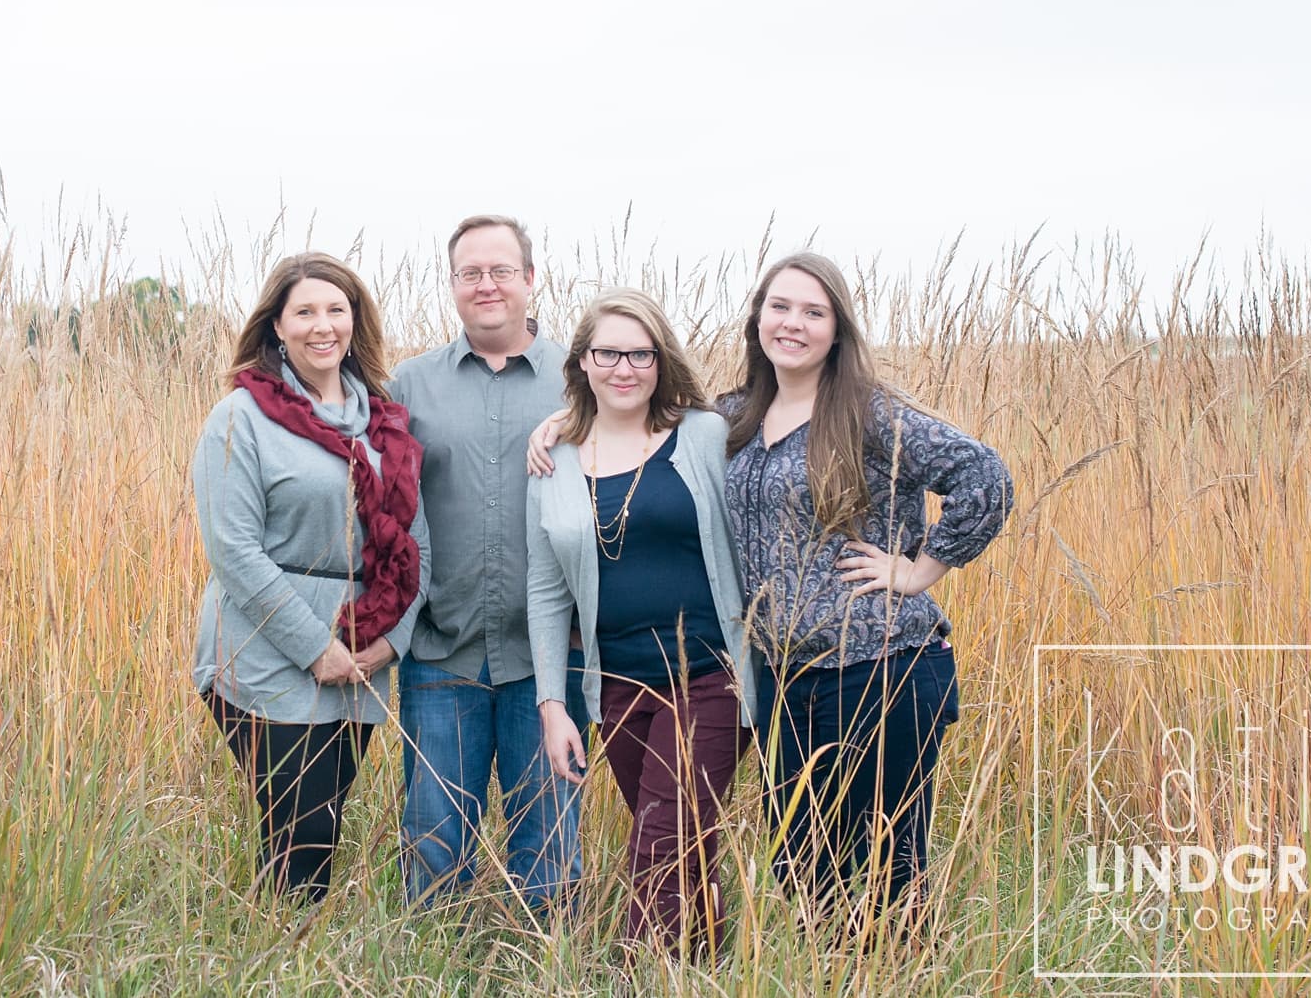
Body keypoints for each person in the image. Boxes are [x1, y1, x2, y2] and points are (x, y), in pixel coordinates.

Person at [722, 251, 1013, 927]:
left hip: (884, 668)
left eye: (813, 311)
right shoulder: (733, 417)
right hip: (784, 678)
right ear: (759, 317)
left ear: (837, 329)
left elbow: (984, 476)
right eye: (781, 306)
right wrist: (562, 423)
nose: (793, 323)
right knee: (802, 870)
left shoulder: (869, 413)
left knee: (890, 873)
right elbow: (640, 430)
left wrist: (917, 570)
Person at [191, 252, 430, 903]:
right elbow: (233, 548)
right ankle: (279, 959)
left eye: (335, 309)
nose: (321, 325)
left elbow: (416, 544)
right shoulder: (241, 419)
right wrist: (313, 647)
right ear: (277, 327)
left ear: (355, 321)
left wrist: (390, 643)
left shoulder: (383, 421)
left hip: (363, 646)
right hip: (265, 650)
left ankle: (289, 953)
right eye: (304, 311)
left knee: (319, 829)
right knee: (299, 830)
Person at [525, 289, 756, 958]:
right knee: (682, 850)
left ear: (660, 360)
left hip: (711, 677)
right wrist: (551, 704)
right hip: (617, 688)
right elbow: (544, 592)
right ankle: (708, 964)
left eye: (640, 353)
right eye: (608, 352)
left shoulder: (705, 435)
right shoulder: (553, 457)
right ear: (582, 363)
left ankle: (635, 972)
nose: (624, 367)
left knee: (659, 845)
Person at [390, 214, 589, 908]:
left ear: (530, 279)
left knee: (551, 851)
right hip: (441, 653)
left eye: (501, 270)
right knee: (435, 847)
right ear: (451, 285)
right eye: (470, 272)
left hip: (550, 665)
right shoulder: (409, 385)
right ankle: (433, 968)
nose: (486, 284)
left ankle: (547, 970)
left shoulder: (582, 382)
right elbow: (381, 507)